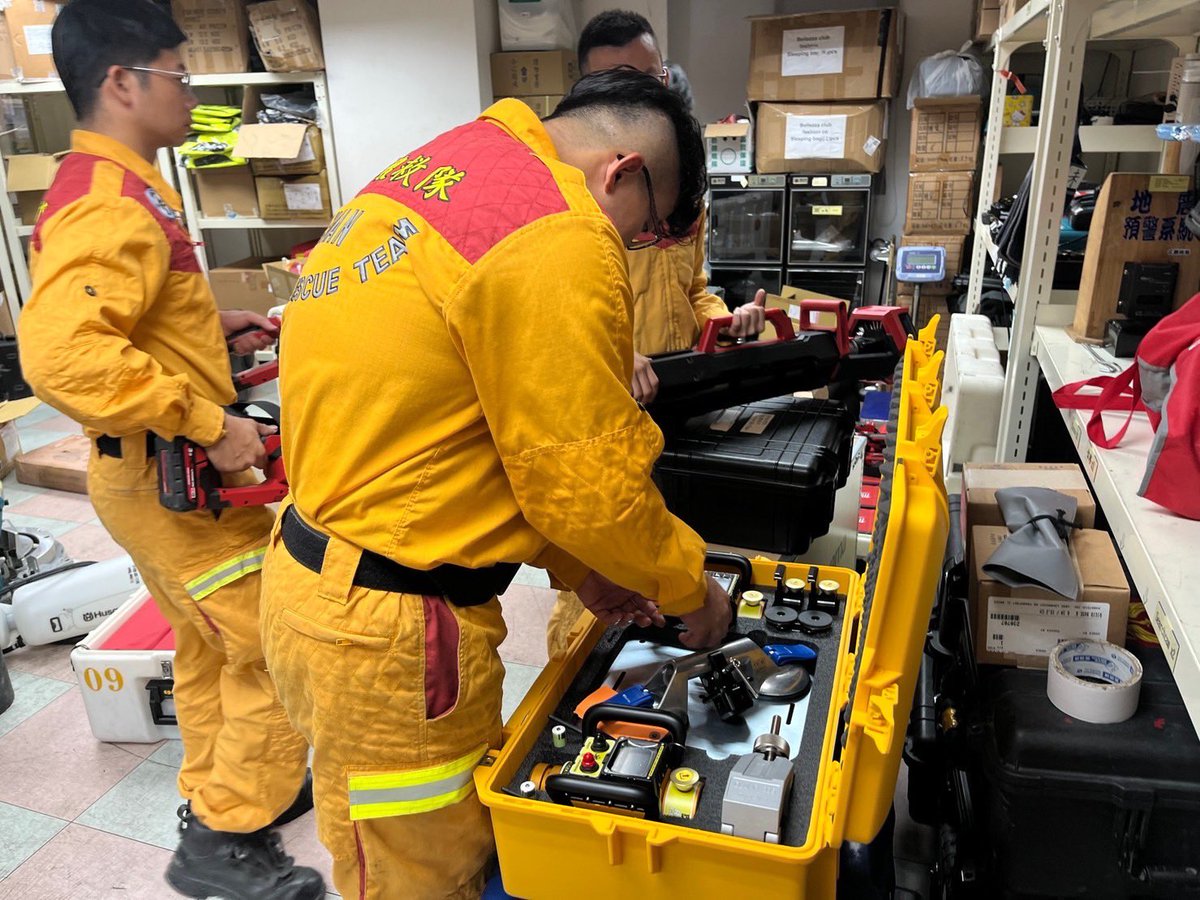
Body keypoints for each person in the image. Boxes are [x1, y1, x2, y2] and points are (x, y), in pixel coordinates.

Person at [260, 68, 733, 899]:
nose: (629, 248)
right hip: (392, 627)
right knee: (423, 877)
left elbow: (460, 426)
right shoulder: (559, 227)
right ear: (622, 171)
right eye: (646, 232)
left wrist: (578, 568)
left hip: (323, 585)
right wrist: (691, 589)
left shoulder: (442, 166)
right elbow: (588, 484)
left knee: (389, 839)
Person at [17, 3, 322, 898]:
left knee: (208, 648)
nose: (189, 94)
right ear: (123, 83)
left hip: (147, 477)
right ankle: (225, 844)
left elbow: (124, 319)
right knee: (270, 645)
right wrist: (206, 418)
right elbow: (63, 355)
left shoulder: (119, 184)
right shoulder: (110, 202)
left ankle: (221, 794)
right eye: (178, 76)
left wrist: (203, 332)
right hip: (170, 480)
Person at [544, 10, 768, 657]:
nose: (646, 236)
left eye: (651, 76)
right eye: (621, 80)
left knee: (654, 537)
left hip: (681, 397)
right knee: (603, 550)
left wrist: (722, 321)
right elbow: (577, 493)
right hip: (610, 401)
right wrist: (616, 352)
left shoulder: (666, 189)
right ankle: (582, 661)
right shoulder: (573, 215)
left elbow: (692, 286)